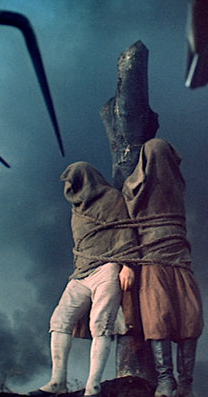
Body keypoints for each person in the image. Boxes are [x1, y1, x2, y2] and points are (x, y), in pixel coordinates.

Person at [30, 162, 140, 397]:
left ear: (86, 180)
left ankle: (93, 386)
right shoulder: (77, 208)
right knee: (60, 320)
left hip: (107, 268)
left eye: (75, 183)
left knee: (101, 324)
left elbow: (125, 230)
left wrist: (128, 265)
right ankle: (58, 382)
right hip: (81, 273)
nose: (71, 189)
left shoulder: (111, 198)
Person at [122, 139, 204, 397]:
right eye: (154, 156)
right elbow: (127, 228)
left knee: (190, 318)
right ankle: (165, 380)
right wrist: (127, 264)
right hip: (153, 261)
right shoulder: (134, 188)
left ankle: (186, 384)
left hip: (180, 260)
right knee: (158, 318)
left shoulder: (177, 185)